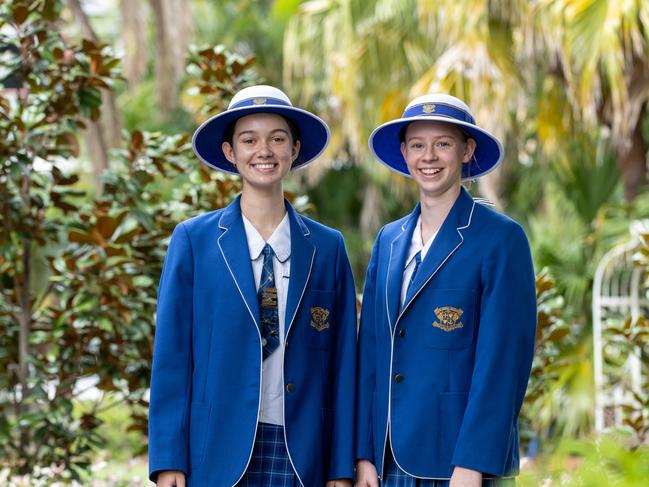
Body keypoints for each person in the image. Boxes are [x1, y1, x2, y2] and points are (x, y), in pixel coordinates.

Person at [148, 85, 357, 487]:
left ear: (294, 150)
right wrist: (168, 459)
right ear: (230, 152)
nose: (264, 151)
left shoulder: (328, 248)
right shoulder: (194, 241)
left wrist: (340, 467)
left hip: (304, 452)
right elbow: (172, 357)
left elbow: (343, 364)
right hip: (215, 449)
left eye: (277, 139)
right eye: (249, 140)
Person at [355, 93, 537, 487]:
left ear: (467, 150)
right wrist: (365, 453)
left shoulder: (500, 239)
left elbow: (502, 363)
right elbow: (371, 352)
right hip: (386, 464)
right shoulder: (388, 241)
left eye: (443, 144)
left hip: (458, 463)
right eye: (418, 145)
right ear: (404, 153)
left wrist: (473, 462)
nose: (429, 157)